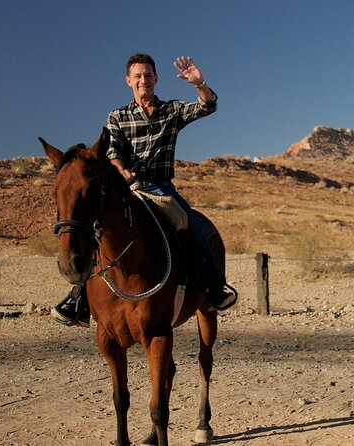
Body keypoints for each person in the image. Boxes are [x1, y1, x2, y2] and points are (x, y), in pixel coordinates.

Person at [52, 53, 237, 327]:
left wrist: (200, 84)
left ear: (156, 79)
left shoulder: (171, 111)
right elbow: (113, 151)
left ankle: (213, 285)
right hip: (128, 187)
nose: (143, 81)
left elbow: (207, 107)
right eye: (137, 76)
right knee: (98, 227)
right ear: (129, 81)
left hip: (161, 190)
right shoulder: (117, 116)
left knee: (188, 223)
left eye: (148, 76)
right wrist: (120, 168)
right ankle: (79, 297)